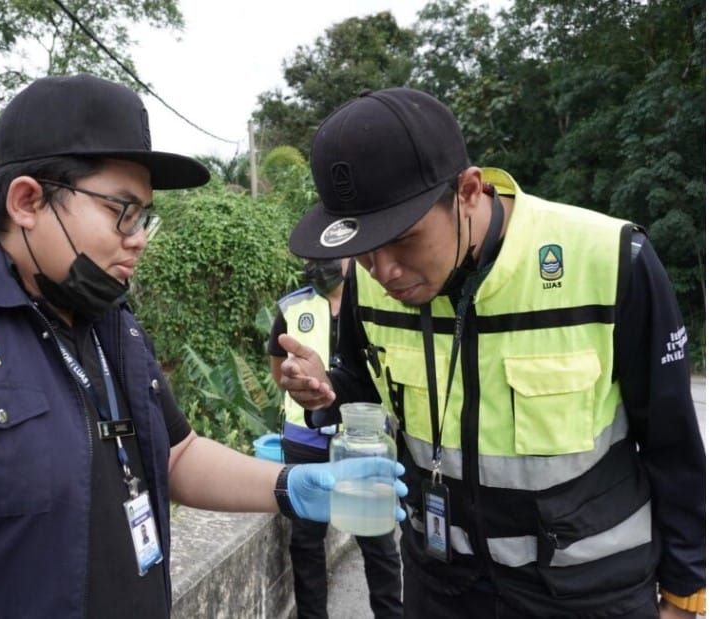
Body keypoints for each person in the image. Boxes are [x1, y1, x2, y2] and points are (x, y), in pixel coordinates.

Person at [0, 74, 407, 618]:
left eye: (145, 216)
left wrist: (292, 485)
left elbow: (174, 454)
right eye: (121, 211)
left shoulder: (113, 325)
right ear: (27, 200)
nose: (139, 237)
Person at [277, 88, 705, 618]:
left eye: (404, 239)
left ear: (467, 191)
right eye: (363, 250)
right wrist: (326, 389)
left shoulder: (611, 260)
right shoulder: (366, 286)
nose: (384, 271)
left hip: (588, 592)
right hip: (442, 585)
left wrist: (684, 593)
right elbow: (362, 386)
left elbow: (672, 443)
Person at [269, 257, 402, 618]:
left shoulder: (378, 301)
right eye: (313, 256)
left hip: (364, 440)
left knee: (378, 542)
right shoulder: (291, 307)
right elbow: (279, 371)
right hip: (304, 439)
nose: (320, 263)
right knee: (306, 542)